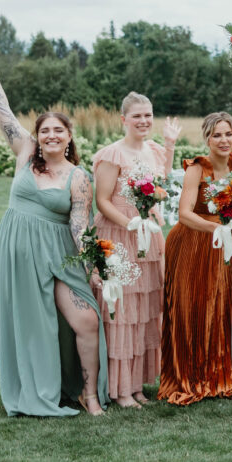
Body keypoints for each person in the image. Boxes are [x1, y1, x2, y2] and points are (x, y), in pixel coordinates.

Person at [0, 38, 108, 416]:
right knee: (32, 326)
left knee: (86, 320)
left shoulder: (78, 177)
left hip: (58, 257)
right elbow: (2, 111)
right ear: (37, 135)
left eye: (59, 130)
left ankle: (89, 395)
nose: (51, 135)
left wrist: (93, 268)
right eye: (45, 130)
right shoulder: (24, 152)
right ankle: (35, 388)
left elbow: (81, 227)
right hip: (18, 254)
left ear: (69, 137)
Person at [158, 112, 232, 406]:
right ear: (207, 139)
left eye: (228, 134)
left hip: (222, 246)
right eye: (216, 135)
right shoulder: (197, 168)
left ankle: (217, 375)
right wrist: (216, 228)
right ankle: (190, 376)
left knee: (220, 307)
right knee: (193, 308)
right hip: (192, 243)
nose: (223, 140)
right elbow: (184, 214)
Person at [92, 92, 180, 408]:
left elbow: (159, 184)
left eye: (148, 115)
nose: (144, 121)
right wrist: (130, 223)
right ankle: (119, 389)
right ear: (124, 120)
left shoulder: (154, 149)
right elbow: (102, 200)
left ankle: (137, 384)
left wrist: (169, 145)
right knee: (122, 310)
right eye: (137, 116)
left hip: (148, 236)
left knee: (144, 310)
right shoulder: (112, 154)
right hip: (119, 233)